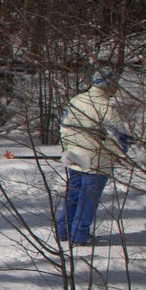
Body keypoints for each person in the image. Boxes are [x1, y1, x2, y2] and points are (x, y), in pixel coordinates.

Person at [55, 69, 128, 245]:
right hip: (96, 162)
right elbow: (119, 138)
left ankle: (62, 231)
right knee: (87, 200)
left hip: (75, 158)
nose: (117, 87)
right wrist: (116, 153)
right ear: (108, 84)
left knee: (73, 196)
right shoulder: (107, 107)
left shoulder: (76, 100)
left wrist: (69, 148)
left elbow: (63, 128)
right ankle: (79, 236)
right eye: (115, 83)